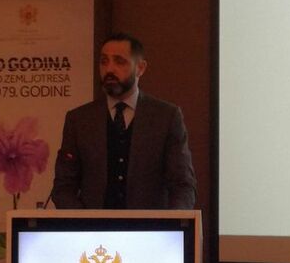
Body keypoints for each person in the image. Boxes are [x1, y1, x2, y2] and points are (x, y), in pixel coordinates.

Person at [52, 33, 197, 210]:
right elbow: (63, 187)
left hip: (150, 226)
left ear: (140, 68)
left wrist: (171, 222)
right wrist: (84, 221)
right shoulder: (79, 120)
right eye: (104, 61)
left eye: (119, 62)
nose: (109, 69)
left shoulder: (166, 117)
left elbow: (183, 184)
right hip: (92, 226)